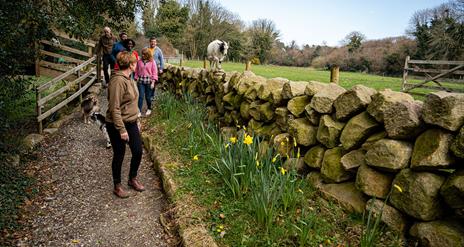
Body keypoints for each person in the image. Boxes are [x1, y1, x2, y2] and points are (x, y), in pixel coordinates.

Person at [106, 51, 145, 198]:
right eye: (135, 62)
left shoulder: (129, 78)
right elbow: (114, 108)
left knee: (137, 151)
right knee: (119, 154)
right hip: (117, 124)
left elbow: (132, 102)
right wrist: (121, 129)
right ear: (130, 65)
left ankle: (132, 179)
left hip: (131, 122)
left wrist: (136, 119)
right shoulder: (118, 81)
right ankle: (117, 186)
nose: (137, 64)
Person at [134, 48, 158, 117]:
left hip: (149, 82)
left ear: (148, 55)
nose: (143, 55)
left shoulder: (152, 62)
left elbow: (155, 72)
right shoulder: (139, 61)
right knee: (140, 96)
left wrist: (153, 82)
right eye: (142, 54)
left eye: (144, 54)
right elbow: (136, 71)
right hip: (141, 81)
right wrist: (135, 79)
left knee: (148, 97)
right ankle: (139, 111)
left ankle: (149, 108)